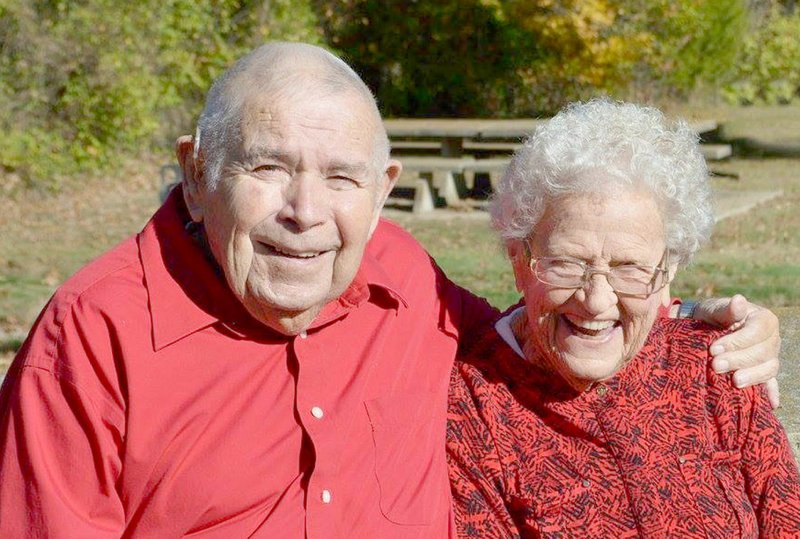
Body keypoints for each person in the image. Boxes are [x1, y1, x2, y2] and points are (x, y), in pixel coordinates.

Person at [0, 43, 782, 537]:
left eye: (340, 177)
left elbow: (565, 324)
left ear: (383, 190)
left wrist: (706, 324)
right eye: (268, 167)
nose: (306, 213)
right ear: (197, 174)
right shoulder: (92, 337)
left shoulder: (402, 276)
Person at [447, 99, 800, 538]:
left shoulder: (717, 366)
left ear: (666, 272)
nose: (597, 301)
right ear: (520, 260)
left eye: (629, 268)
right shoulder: (473, 410)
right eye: (568, 262)